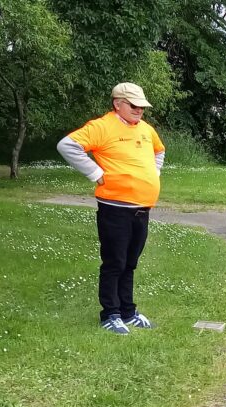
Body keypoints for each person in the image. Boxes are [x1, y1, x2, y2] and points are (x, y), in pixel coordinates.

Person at [57, 82, 165, 335]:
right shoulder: (102, 126)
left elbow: (159, 151)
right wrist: (95, 173)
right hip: (115, 209)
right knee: (114, 262)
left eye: (142, 106)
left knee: (130, 263)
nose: (139, 110)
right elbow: (67, 145)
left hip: (142, 208)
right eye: (134, 105)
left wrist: (154, 173)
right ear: (118, 104)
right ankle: (110, 314)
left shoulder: (146, 129)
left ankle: (128, 311)